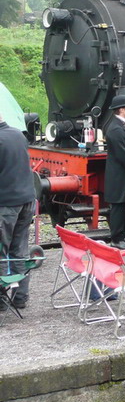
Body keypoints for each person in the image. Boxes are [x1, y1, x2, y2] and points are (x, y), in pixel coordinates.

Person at [0, 113, 36, 310]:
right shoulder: (19, 135)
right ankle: (20, 296)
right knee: (19, 250)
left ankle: (1, 299)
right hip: (26, 200)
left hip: (6, 203)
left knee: (1, 250)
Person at [103, 95, 125, 249]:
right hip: (118, 175)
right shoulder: (116, 129)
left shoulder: (119, 126)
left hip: (120, 174)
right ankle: (117, 238)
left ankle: (120, 236)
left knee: (122, 205)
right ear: (122, 109)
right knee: (118, 205)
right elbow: (123, 154)